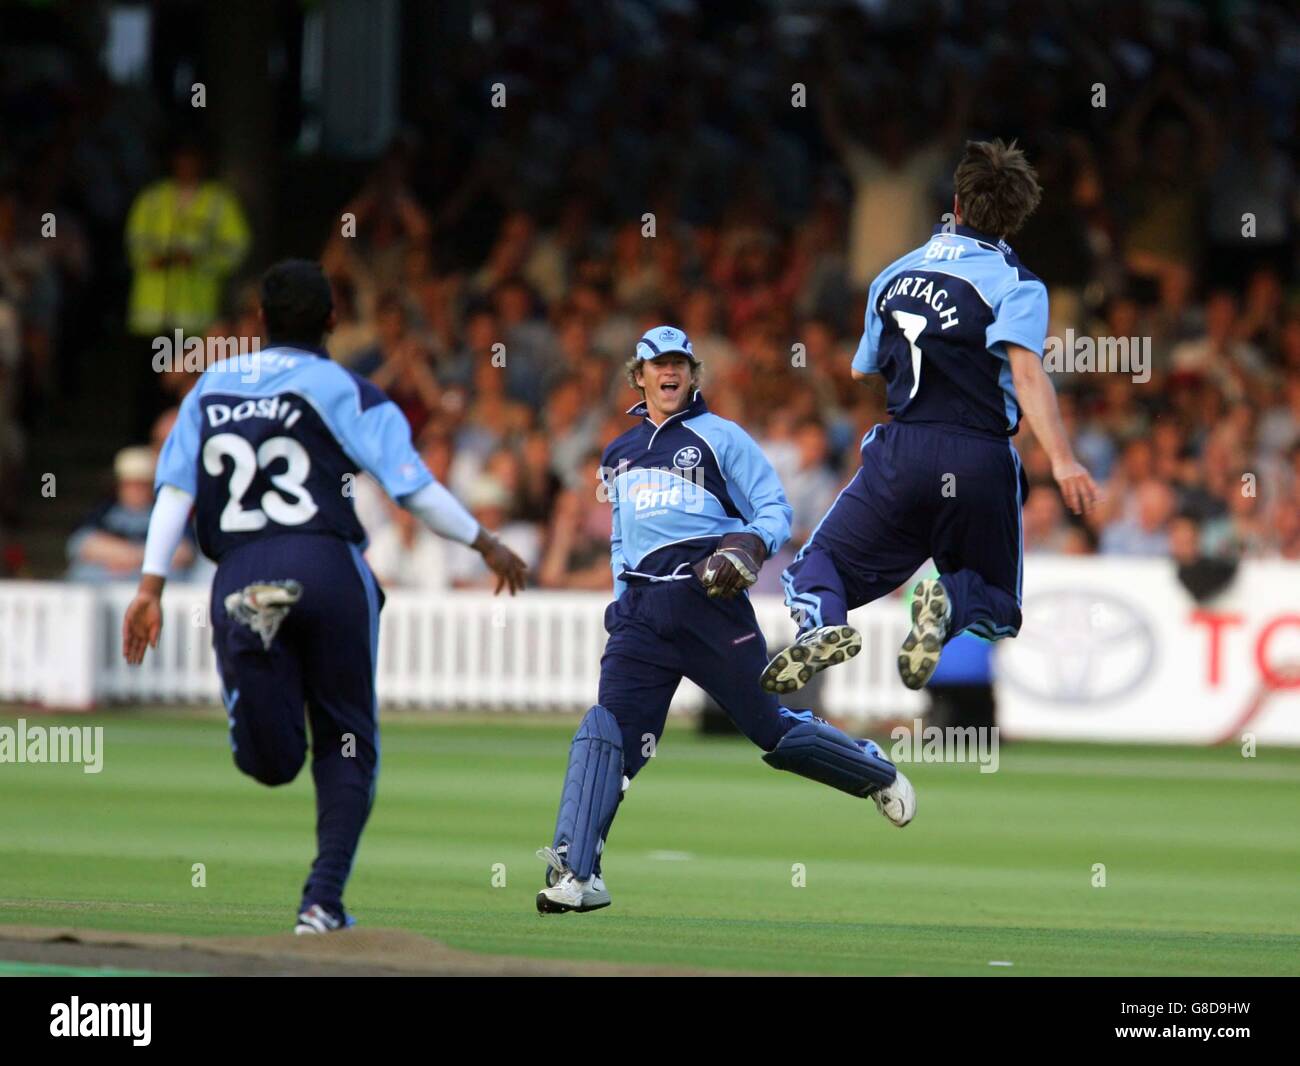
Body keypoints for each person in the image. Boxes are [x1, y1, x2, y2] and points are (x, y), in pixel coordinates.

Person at [121, 259, 527, 934]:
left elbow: (175, 492)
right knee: (345, 738)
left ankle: (256, 642)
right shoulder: (348, 388)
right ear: (334, 321)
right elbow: (412, 488)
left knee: (270, 763)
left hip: (242, 567)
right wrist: (486, 542)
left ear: (258, 321)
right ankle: (321, 901)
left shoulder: (210, 388)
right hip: (329, 563)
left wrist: (151, 584)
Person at [534, 326, 915, 917]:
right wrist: (618, 596)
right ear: (638, 376)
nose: (669, 372)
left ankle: (872, 771)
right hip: (640, 616)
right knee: (607, 736)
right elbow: (619, 540)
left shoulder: (721, 438)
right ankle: (578, 873)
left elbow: (775, 511)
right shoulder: (618, 454)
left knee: (772, 731)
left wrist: (745, 550)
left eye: (680, 364)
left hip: (710, 606)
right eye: (658, 364)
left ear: (693, 374)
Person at [763, 140, 1099, 696]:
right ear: (1016, 217)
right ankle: (945, 601)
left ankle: (822, 623)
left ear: (957, 203)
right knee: (996, 604)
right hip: (980, 458)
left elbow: (864, 369)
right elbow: (1027, 374)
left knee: (817, 565)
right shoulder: (1019, 284)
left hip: (902, 453)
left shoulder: (894, 273)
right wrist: (1063, 461)